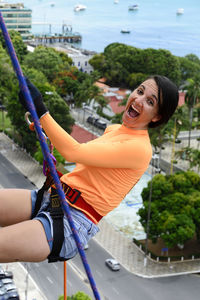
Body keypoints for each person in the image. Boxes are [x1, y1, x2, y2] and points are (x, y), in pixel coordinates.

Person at [0, 75, 179, 263]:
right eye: (140, 91)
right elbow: (82, 157)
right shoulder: (115, 130)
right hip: (54, 196)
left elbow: (73, 152)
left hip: (72, 220)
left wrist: (40, 110)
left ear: (157, 116)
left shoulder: (140, 148)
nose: (139, 100)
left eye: (150, 102)